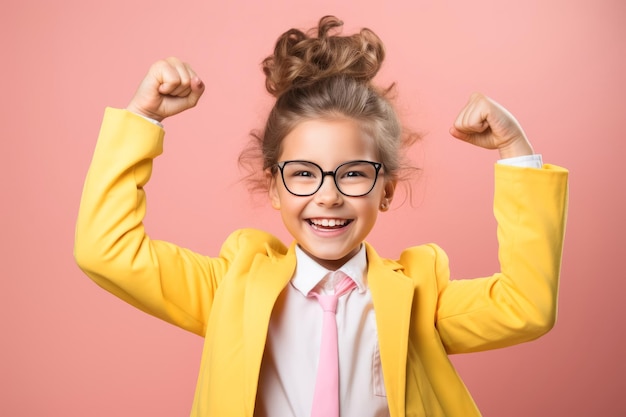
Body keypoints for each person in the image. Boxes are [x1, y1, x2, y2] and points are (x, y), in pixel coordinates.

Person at [74, 15, 568, 417]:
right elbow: (107, 252)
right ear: (273, 187)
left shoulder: (421, 298)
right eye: (304, 174)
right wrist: (144, 118)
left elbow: (526, 306)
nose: (328, 196)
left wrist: (515, 150)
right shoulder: (230, 289)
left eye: (353, 174)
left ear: (387, 190)